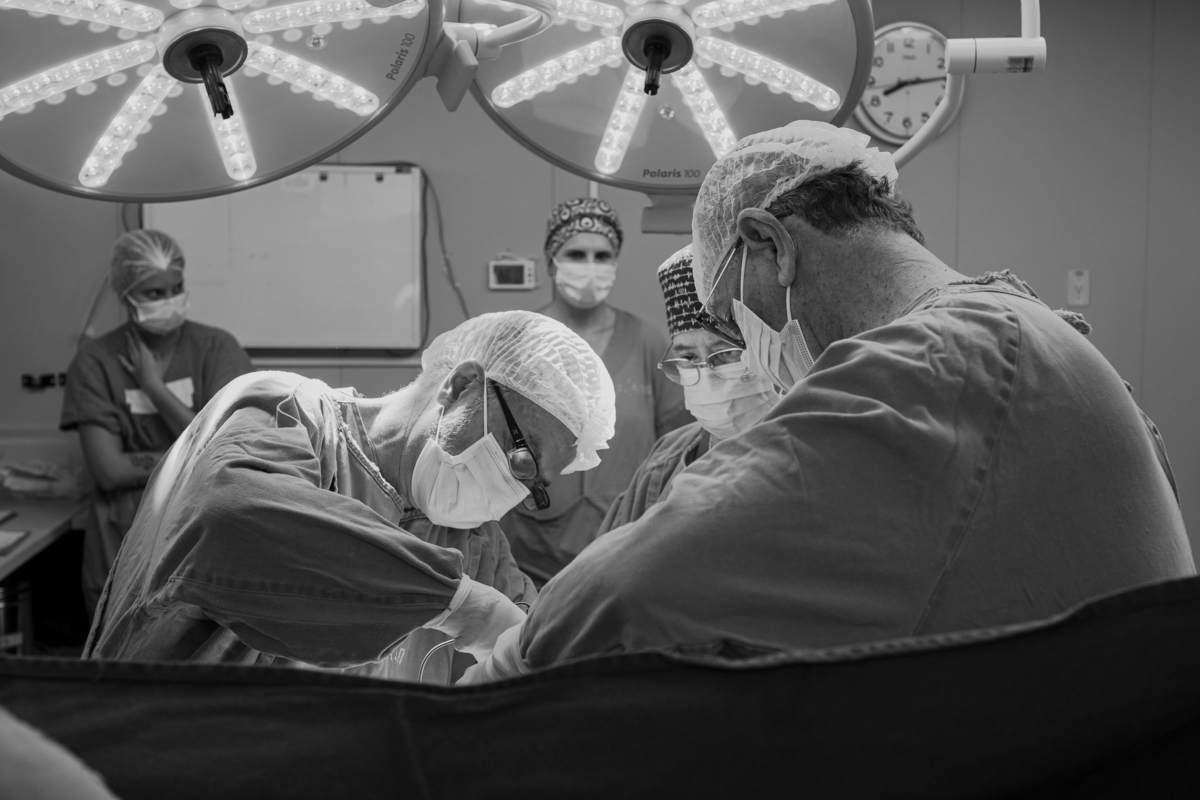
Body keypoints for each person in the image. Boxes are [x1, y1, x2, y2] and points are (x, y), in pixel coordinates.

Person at [462, 121, 1192, 683]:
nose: (750, 354)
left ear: (770, 244)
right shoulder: (1017, 329)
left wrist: (501, 668)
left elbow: (636, 580)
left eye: (733, 316)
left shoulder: (940, 361)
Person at [83, 310, 615, 683]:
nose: (513, 488)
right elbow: (232, 517)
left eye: (533, 484)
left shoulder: (470, 536)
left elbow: (537, 641)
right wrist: (456, 603)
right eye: (520, 453)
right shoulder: (285, 411)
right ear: (460, 386)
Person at [61, 230, 253, 620]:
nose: (170, 300)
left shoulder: (217, 349)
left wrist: (154, 388)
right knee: (121, 647)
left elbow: (229, 448)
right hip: (122, 543)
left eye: (176, 288)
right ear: (126, 294)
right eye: (154, 293)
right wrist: (194, 454)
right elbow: (108, 471)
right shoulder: (96, 363)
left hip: (203, 539)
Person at [499, 197, 690, 585]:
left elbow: (679, 447)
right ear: (551, 261)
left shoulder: (648, 343)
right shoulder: (517, 343)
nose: (590, 266)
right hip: (532, 551)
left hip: (627, 546)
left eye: (602, 256)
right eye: (576, 254)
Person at [597, 244, 779, 534]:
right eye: (689, 357)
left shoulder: (812, 461)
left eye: (728, 352)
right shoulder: (665, 462)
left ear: (771, 346)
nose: (707, 375)